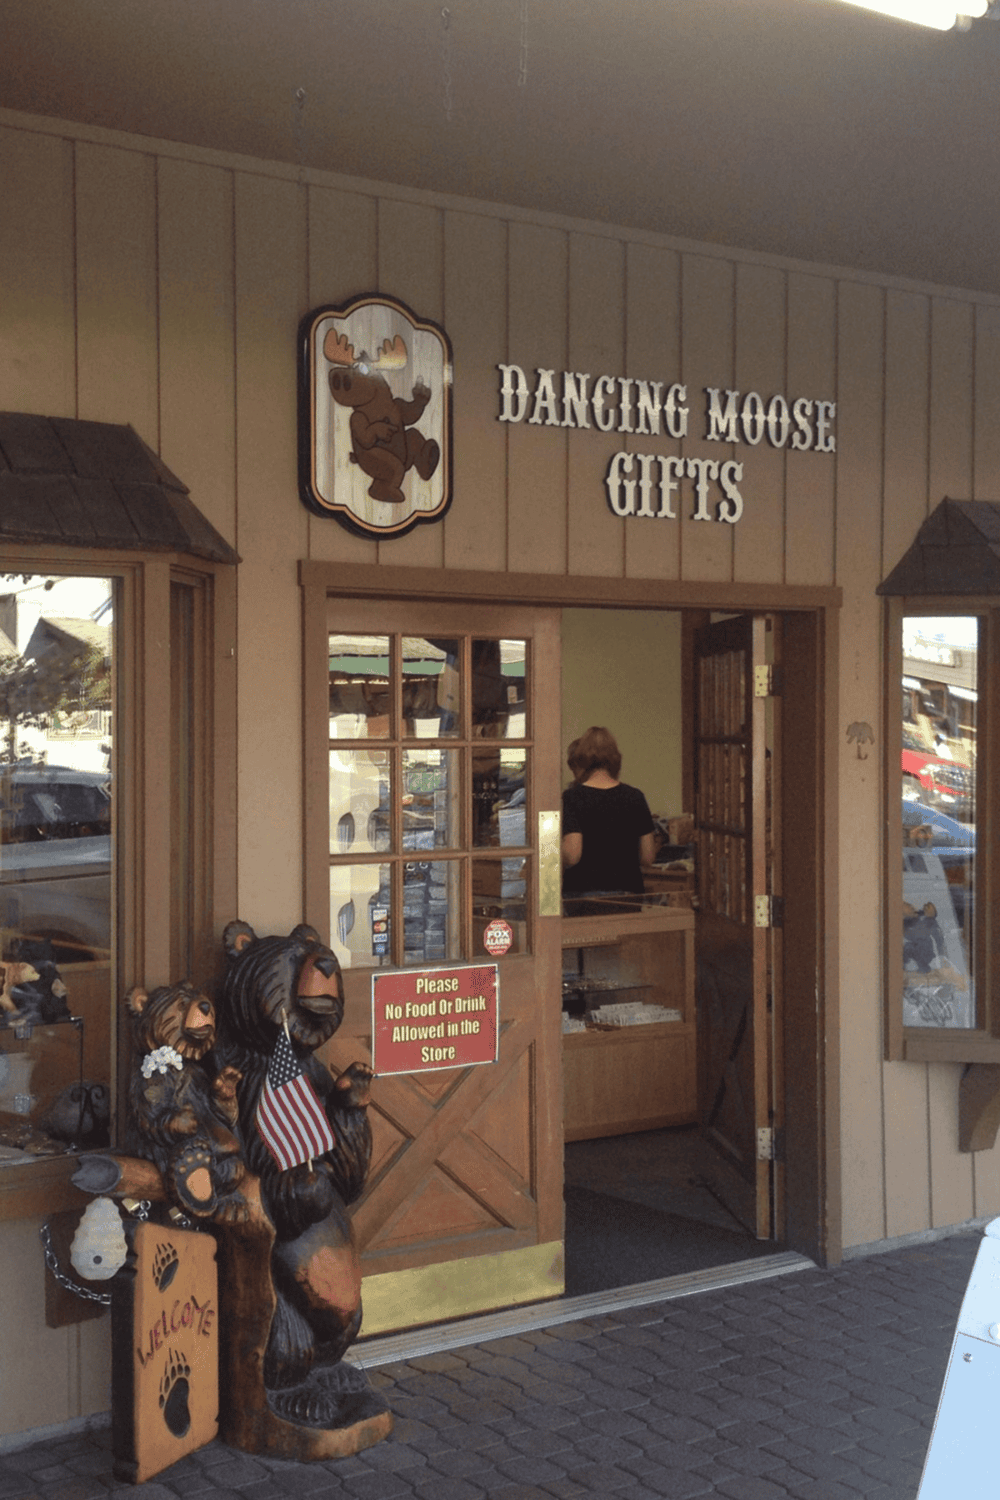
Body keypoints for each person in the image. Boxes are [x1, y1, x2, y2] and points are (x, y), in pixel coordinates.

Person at [561, 726, 656, 898]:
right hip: (628, 892)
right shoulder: (635, 797)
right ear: (615, 759)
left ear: (581, 759)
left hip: (582, 892)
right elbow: (648, 856)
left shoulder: (571, 798)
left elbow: (572, 854)